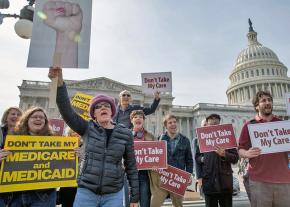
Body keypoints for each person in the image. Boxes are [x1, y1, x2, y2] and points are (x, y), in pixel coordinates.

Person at [48, 67, 139, 207]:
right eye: (98, 107)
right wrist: (60, 83)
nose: (103, 108)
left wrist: (134, 197)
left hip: (113, 193)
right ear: (94, 114)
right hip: (86, 192)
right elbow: (67, 111)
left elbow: (131, 166)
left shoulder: (125, 133)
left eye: (107, 106)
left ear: (111, 112)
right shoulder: (87, 128)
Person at [238, 91, 290, 207]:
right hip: (259, 182)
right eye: (263, 101)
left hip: (284, 180)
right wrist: (246, 153)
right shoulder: (249, 126)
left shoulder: (283, 125)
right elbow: (240, 150)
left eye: (269, 100)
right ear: (257, 106)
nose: (268, 103)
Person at [7, 107, 57, 207]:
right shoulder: (13, 139)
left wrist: (73, 156)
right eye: (34, 117)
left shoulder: (55, 142)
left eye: (42, 118)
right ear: (26, 120)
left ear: (45, 122)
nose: (38, 119)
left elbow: (61, 165)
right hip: (17, 194)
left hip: (43, 196)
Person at [195, 114, 239, 207]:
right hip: (209, 182)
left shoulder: (228, 137)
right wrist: (202, 159)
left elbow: (235, 158)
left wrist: (224, 154)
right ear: (207, 124)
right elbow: (197, 158)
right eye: (212, 123)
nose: (214, 125)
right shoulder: (202, 138)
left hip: (225, 183)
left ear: (220, 124)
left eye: (216, 123)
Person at [150, 114, 193, 207]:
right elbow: (155, 158)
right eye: (170, 123)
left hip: (177, 179)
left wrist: (189, 175)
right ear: (166, 126)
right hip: (162, 178)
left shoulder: (185, 140)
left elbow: (189, 160)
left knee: (178, 205)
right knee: (154, 204)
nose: (173, 124)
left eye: (174, 122)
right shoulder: (159, 139)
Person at [130, 110, 156, 207]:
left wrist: (155, 164)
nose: (138, 118)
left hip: (144, 175)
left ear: (143, 120)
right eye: (135, 117)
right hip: (129, 174)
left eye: (140, 117)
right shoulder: (126, 135)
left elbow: (157, 154)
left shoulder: (151, 136)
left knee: (145, 202)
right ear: (131, 120)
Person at [0, 107, 23, 207]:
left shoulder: (26, 135)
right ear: (6, 117)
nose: (16, 116)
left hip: (16, 186)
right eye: (13, 114)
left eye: (18, 115)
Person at [58, 128, 82, 207]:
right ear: (69, 134)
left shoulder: (86, 145)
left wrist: (81, 157)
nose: (76, 134)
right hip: (68, 185)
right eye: (73, 132)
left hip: (81, 185)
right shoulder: (64, 147)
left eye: (78, 132)